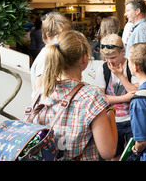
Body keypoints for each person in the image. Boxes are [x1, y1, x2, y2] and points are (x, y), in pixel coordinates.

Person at [34, 30, 118, 160]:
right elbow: (108, 152)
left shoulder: (42, 92)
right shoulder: (92, 97)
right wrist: (110, 112)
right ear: (84, 59)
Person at [95, 34, 138, 160]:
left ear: (123, 52)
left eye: (113, 57)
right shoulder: (103, 69)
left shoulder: (131, 66)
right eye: (106, 58)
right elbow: (101, 98)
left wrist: (120, 76)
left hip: (132, 119)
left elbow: (136, 92)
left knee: (133, 154)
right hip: (113, 121)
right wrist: (124, 98)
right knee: (114, 155)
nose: (110, 61)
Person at [30, 12, 72, 97]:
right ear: (48, 35)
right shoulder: (46, 57)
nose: (66, 39)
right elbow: (40, 91)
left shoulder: (51, 53)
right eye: (62, 35)